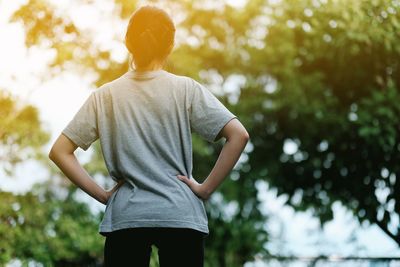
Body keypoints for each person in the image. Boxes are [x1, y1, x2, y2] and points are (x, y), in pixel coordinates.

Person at [48, 5, 249, 267]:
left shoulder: (105, 96)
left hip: (127, 218)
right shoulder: (185, 89)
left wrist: (104, 196)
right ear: (170, 45)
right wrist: (205, 189)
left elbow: (59, 151)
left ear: (127, 42)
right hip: (180, 215)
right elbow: (238, 135)